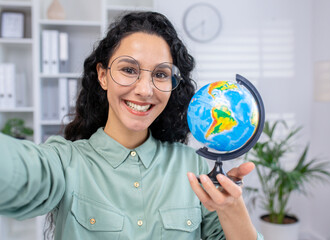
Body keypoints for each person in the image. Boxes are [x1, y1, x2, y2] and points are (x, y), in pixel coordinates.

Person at [0, 11, 263, 240]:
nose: (145, 90)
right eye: (129, 70)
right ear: (103, 76)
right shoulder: (65, 162)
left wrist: (232, 209)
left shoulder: (191, 166)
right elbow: (19, 171)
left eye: (160, 74)